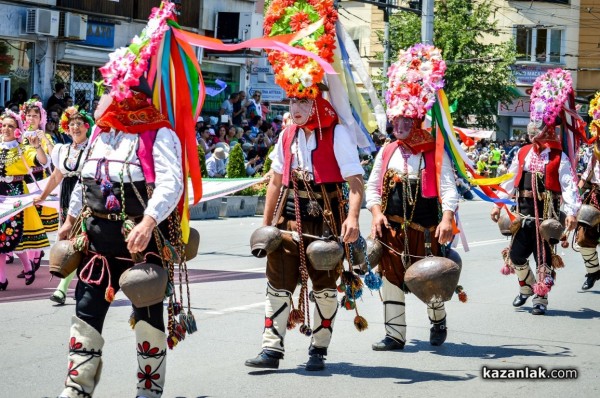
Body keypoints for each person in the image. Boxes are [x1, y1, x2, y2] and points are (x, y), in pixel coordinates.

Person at [245, 0, 363, 371]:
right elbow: (276, 183)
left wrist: (354, 220)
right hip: (289, 218)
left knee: (325, 287)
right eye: (292, 100)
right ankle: (271, 349)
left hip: (327, 218)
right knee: (277, 282)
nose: (295, 107)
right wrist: (266, 226)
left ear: (316, 100)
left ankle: (319, 348)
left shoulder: (337, 134)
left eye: (302, 100)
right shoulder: (286, 136)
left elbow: (356, 185)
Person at [365, 44, 458, 351]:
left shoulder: (434, 151)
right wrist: (376, 214)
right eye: (397, 120)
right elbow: (372, 187)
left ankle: (437, 319)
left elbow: (448, 190)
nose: (400, 125)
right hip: (391, 232)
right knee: (391, 281)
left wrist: (447, 218)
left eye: (406, 120)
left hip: (426, 233)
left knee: (430, 279)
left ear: (418, 119)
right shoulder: (387, 150)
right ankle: (395, 335)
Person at [490, 68, 582, 316]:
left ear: (548, 129)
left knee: (544, 260)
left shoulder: (558, 156)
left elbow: (569, 185)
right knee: (517, 258)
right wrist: (499, 204)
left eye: (538, 126)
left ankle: (540, 300)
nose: (532, 130)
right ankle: (527, 286)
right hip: (523, 217)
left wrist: (572, 211)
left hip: (548, 218)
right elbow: (510, 181)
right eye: (532, 126)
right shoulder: (521, 154)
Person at [33, 107, 92, 305]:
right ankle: (64, 287)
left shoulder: (93, 149)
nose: (75, 127)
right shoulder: (63, 149)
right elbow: (57, 176)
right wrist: (42, 195)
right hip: (66, 195)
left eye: (79, 124)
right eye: (72, 124)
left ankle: (67, 287)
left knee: (83, 241)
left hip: (87, 196)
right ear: (67, 127)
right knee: (68, 240)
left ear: (87, 127)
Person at [0, 110, 50, 291]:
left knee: (11, 237)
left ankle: (26, 266)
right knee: (2, 239)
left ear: (17, 130)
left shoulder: (22, 149)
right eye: (3, 125)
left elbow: (42, 161)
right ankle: (3, 278)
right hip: (0, 194)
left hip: (16, 196)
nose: (6, 129)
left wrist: (37, 147)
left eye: (10, 126)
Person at [575, 93, 600, 291]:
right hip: (596, 195)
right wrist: (576, 190)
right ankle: (593, 272)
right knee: (583, 238)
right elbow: (588, 172)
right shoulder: (595, 150)